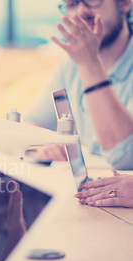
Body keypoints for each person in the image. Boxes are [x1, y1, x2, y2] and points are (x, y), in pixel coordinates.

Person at [23, 0, 133, 170]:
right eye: (72, 4)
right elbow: (29, 125)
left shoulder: (82, 61)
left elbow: (125, 157)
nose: (81, 12)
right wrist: (46, 145)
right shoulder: (71, 66)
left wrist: (89, 64)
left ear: (125, 3)